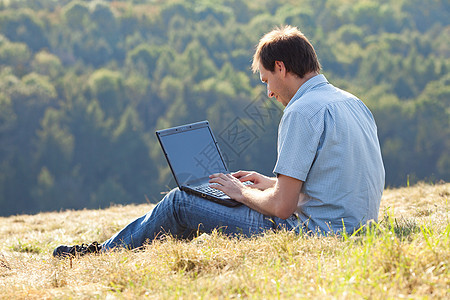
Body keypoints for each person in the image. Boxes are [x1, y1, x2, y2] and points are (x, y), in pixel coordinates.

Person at [53, 25, 385, 258]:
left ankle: (103, 254)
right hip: (357, 228)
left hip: (314, 237)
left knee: (179, 201)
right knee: (217, 198)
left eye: (267, 80)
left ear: (281, 68)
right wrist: (269, 183)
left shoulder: (301, 111)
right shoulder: (351, 102)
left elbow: (283, 209)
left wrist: (242, 192)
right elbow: (337, 182)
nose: (269, 92)